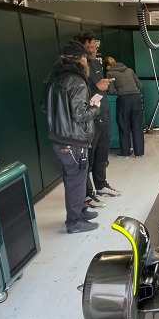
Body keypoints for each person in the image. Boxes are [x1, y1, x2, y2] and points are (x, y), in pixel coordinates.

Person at [43, 40, 102, 233]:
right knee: (76, 181)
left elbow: (45, 107)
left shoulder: (53, 78)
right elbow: (81, 114)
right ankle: (74, 222)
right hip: (73, 140)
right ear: (81, 58)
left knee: (74, 179)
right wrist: (95, 107)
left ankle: (80, 212)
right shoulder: (76, 81)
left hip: (59, 137)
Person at [77, 33, 121, 197]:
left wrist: (103, 86)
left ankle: (101, 186)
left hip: (103, 114)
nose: (95, 50)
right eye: (91, 47)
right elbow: (79, 94)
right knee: (88, 159)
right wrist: (96, 88)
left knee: (102, 155)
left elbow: (98, 89)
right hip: (90, 119)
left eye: (96, 46)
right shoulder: (78, 68)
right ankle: (87, 194)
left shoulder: (96, 63)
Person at [105, 55, 145, 157]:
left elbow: (111, 91)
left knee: (124, 125)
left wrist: (117, 90)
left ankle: (125, 152)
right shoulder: (129, 70)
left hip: (123, 100)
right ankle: (139, 152)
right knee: (137, 126)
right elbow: (140, 85)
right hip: (136, 99)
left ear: (107, 66)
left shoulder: (110, 73)